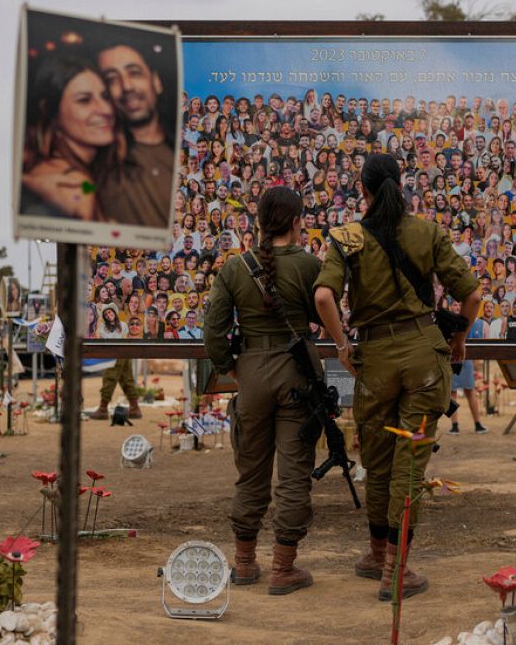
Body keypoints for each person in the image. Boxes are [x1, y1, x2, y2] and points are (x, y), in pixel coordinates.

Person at [314, 153, 481, 602]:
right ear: (400, 184)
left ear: (363, 189)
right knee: (410, 463)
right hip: (424, 355)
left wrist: (342, 345)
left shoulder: (347, 237)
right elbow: (471, 293)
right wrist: (460, 340)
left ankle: (374, 555)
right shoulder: (427, 232)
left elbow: (325, 296)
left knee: (378, 460)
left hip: (375, 360)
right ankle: (395, 570)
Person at [203, 187, 322, 596]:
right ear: (295, 222)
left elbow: (213, 329)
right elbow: (325, 308)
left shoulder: (235, 268)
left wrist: (230, 368)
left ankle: (245, 564)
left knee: (250, 472)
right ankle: (283, 569)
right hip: (297, 374)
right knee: (293, 475)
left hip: (251, 372)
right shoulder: (309, 265)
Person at [20, 54, 118, 221]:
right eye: (84, 100)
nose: (105, 109)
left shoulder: (86, 178)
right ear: (50, 110)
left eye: (105, 96)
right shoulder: (74, 184)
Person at [96, 41, 175, 228]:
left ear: (156, 81)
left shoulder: (179, 152)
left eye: (134, 72)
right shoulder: (101, 164)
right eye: (112, 79)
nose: (127, 86)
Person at [447, 308, 487, 435]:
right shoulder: (448, 320)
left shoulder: (467, 320)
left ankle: (478, 424)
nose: (457, 307)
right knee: (452, 393)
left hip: (465, 358)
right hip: (451, 359)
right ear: (451, 306)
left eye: (459, 304)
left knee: (470, 391)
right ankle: (454, 425)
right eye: (454, 304)